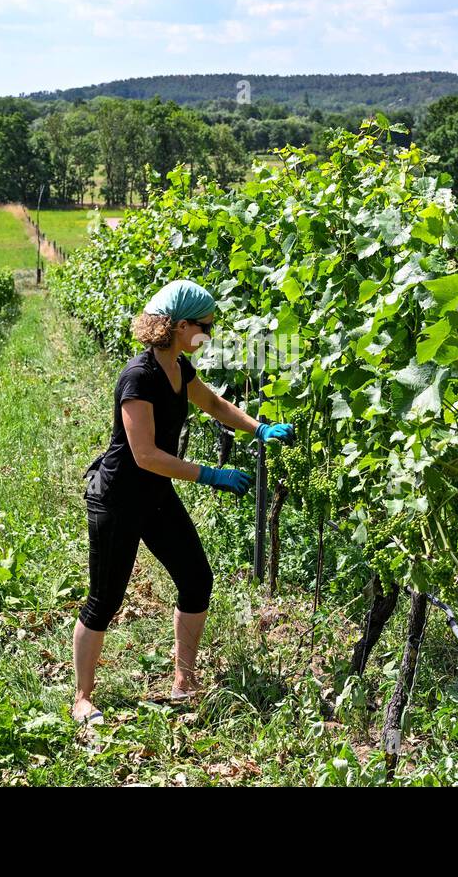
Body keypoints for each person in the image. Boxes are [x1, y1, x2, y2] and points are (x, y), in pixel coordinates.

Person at [72, 279, 295, 724]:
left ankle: (184, 681)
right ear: (178, 325)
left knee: (196, 579)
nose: (209, 334)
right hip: (117, 499)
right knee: (105, 599)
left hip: (154, 496)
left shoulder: (179, 367)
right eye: (205, 326)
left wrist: (258, 428)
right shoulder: (139, 377)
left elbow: (212, 403)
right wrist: (210, 474)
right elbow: (146, 455)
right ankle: (82, 697)